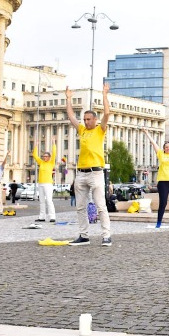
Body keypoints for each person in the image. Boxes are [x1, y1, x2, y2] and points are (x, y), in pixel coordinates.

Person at [65, 84, 113, 246]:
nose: (85, 122)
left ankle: (106, 235)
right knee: (80, 207)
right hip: (81, 173)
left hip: (96, 173)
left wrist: (104, 95)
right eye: (84, 119)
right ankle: (84, 236)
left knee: (101, 206)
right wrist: (68, 99)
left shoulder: (100, 130)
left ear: (95, 120)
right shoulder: (82, 130)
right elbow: (71, 116)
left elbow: (107, 113)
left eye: (88, 119)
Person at [33, 140, 57, 223]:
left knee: (49, 201)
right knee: (42, 201)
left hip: (48, 184)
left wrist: (53, 143)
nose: (44, 157)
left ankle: (52, 216)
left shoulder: (51, 162)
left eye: (46, 156)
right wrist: (36, 146)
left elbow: (54, 153)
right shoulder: (41, 162)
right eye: (43, 156)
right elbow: (35, 155)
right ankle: (42, 217)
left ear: (49, 157)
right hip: (41, 183)